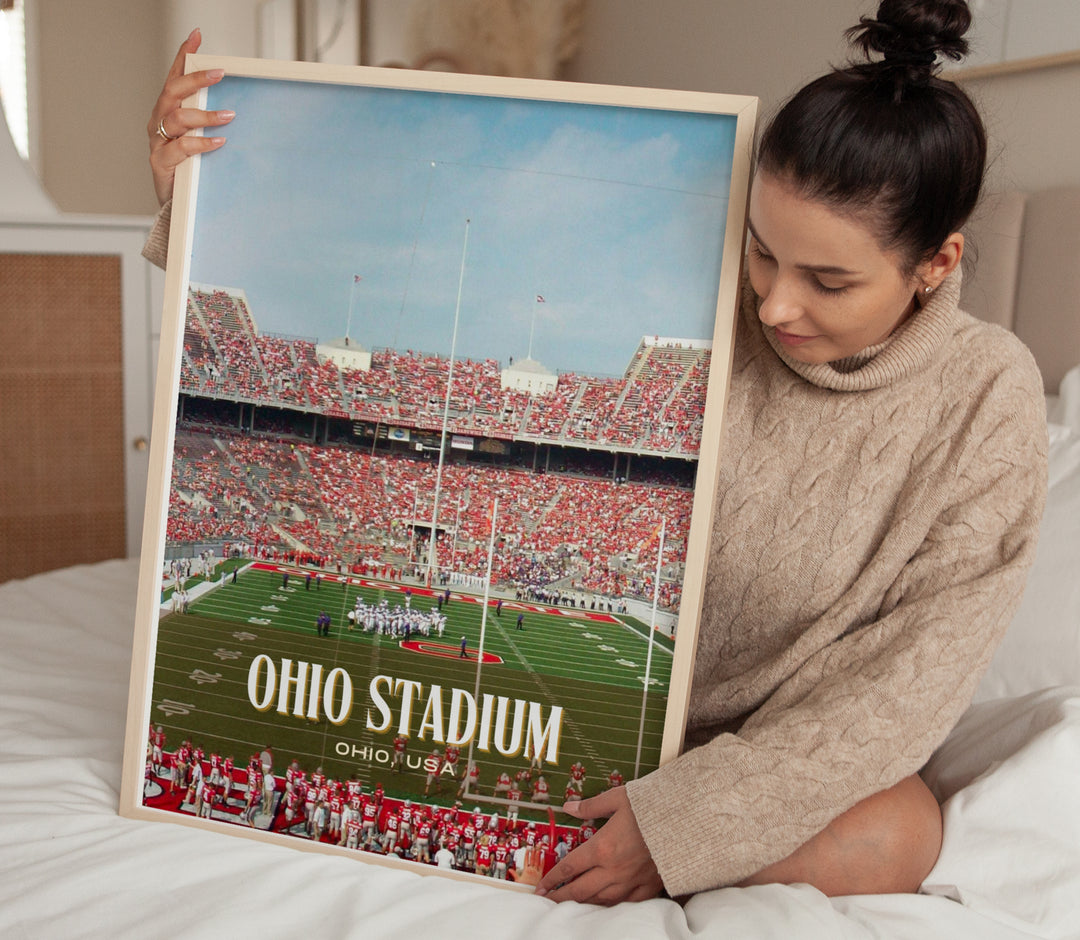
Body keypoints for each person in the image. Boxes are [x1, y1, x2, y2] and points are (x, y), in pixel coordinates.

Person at [145, 0, 1046, 905]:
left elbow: (904, 692)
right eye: (764, 254)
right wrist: (193, 205)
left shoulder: (986, 397)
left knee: (900, 833)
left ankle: (620, 846)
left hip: (772, 759)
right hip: (597, 729)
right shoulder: (706, 303)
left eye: (829, 280)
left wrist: (688, 825)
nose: (773, 305)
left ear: (936, 263)